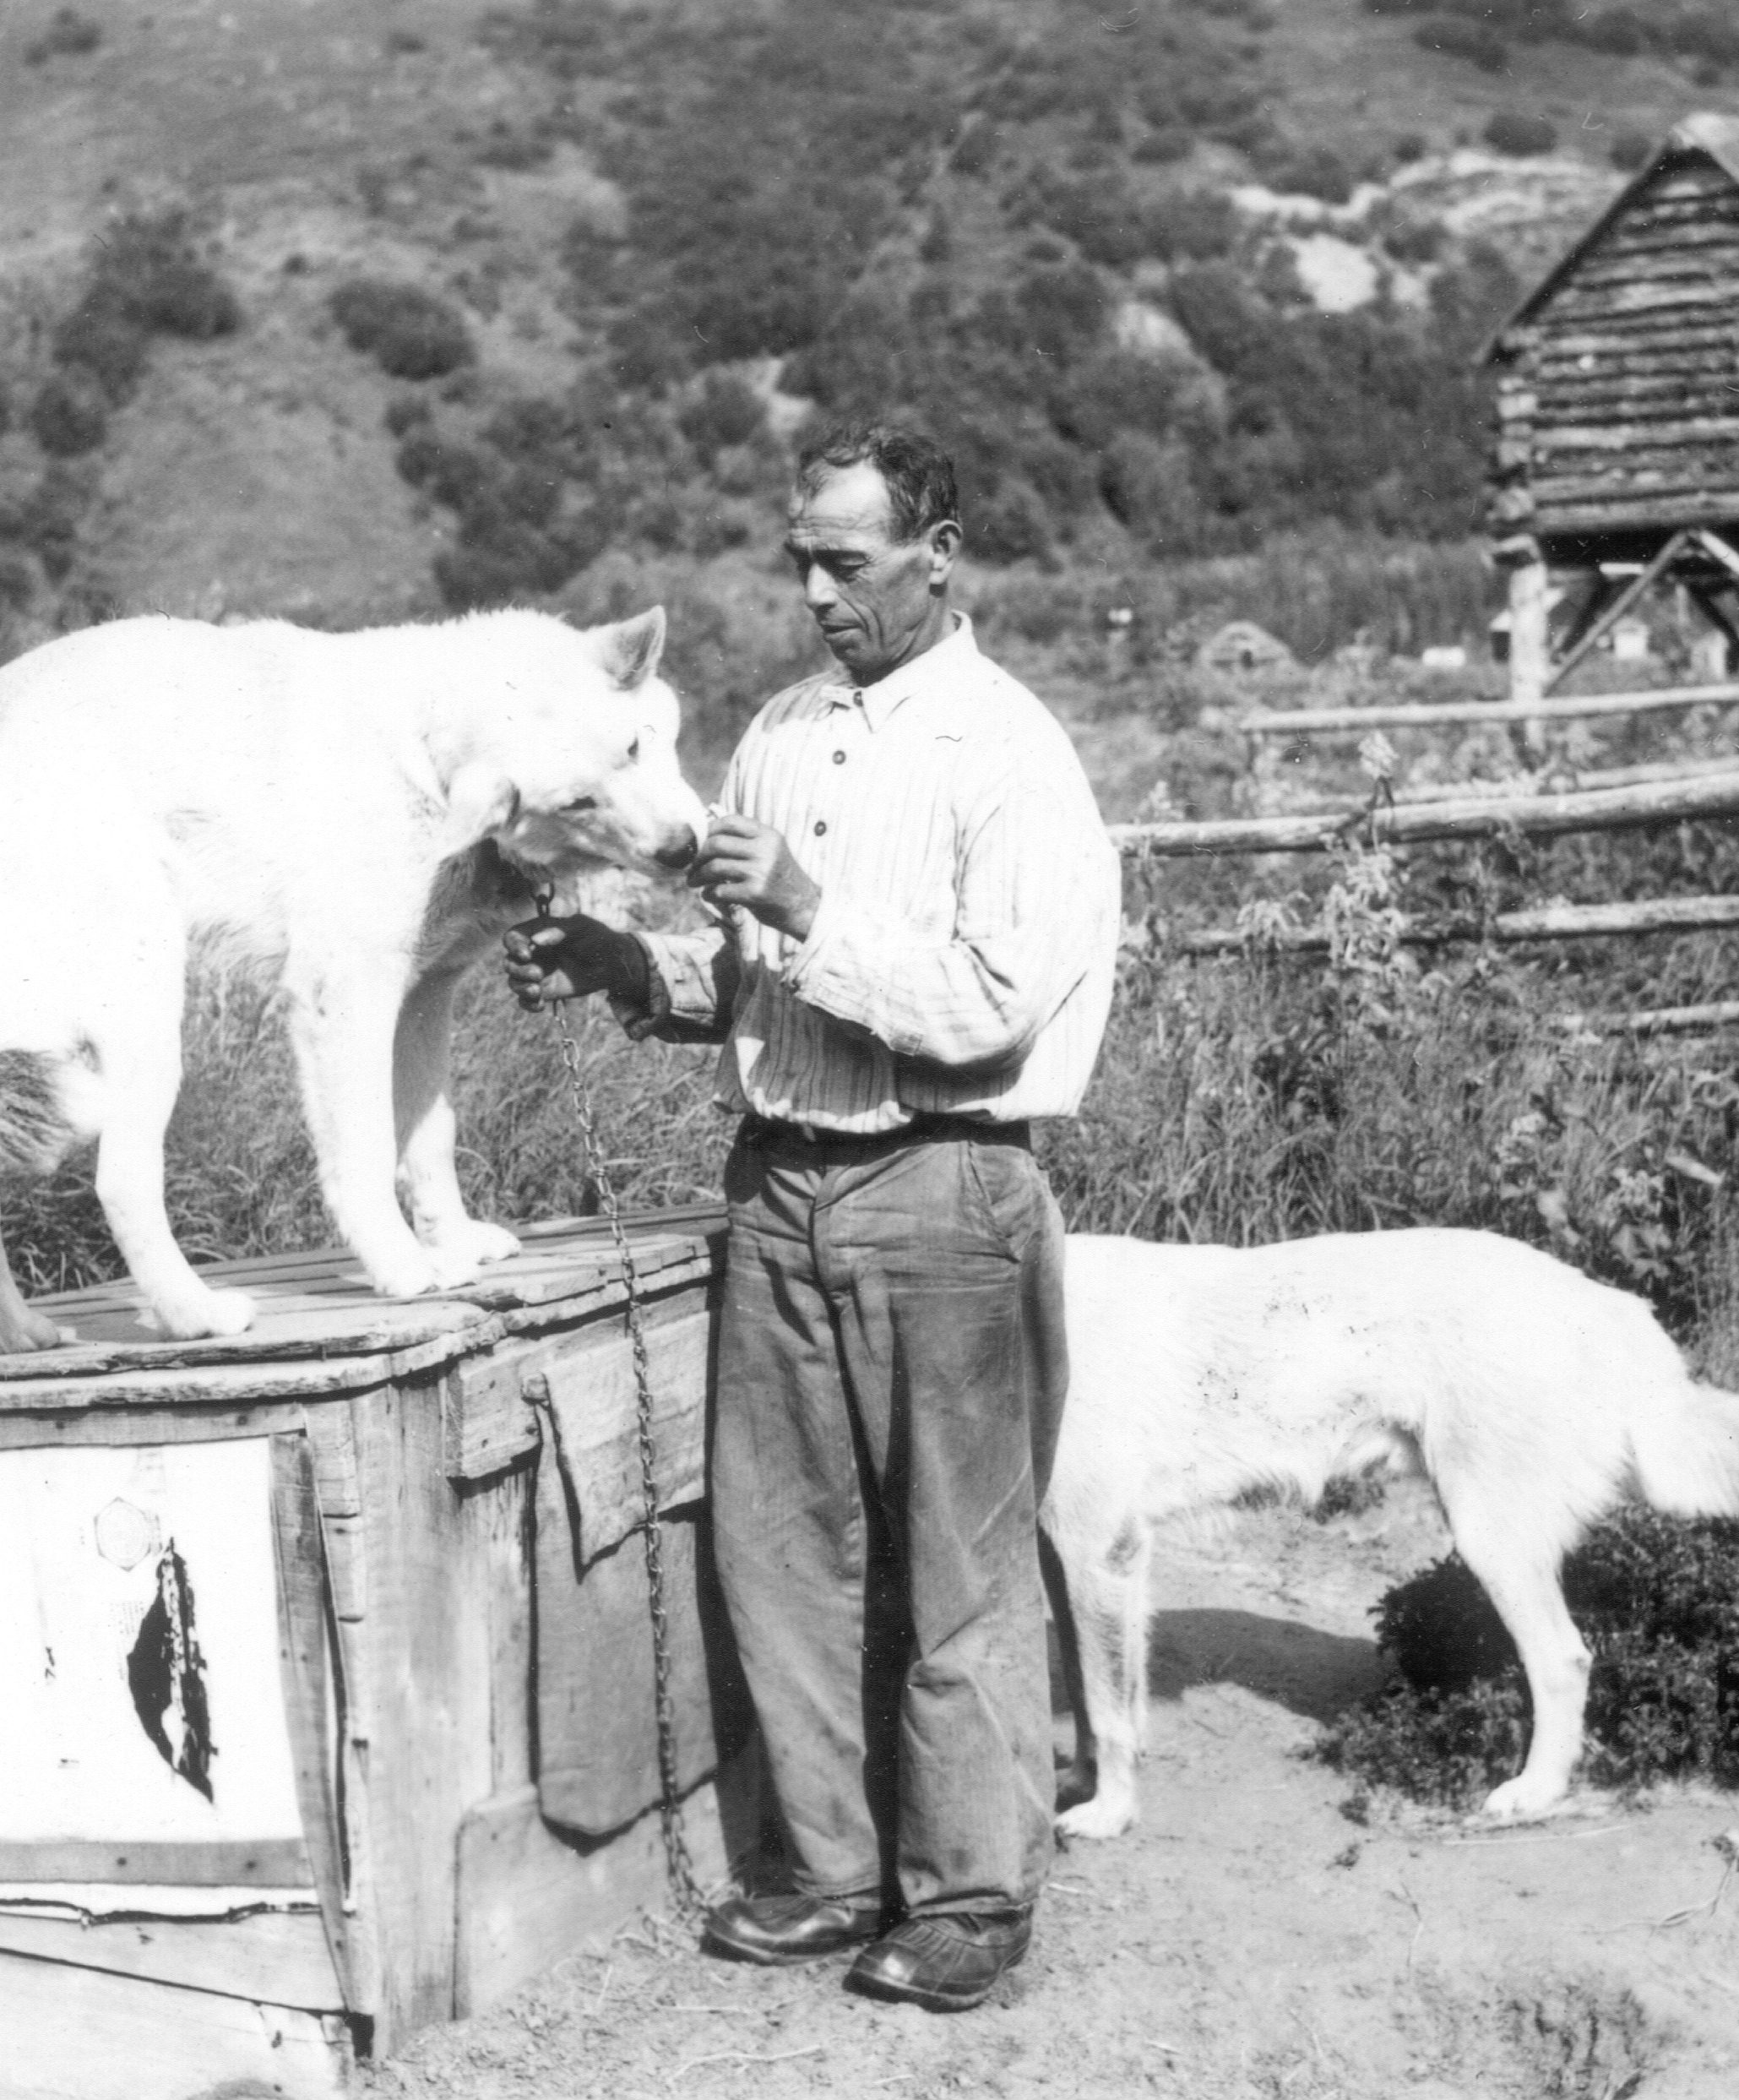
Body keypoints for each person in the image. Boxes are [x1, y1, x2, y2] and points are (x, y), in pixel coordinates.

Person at [503, 423, 1122, 2012]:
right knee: (782, 1556)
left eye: (847, 561)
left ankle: (972, 1895)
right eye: (800, 560)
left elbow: (988, 1006)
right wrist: (635, 970)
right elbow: (752, 986)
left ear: (940, 551)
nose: (816, 590)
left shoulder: (1008, 751)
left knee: (956, 1563)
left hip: (948, 1183)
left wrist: (801, 904)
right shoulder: (777, 734)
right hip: (778, 1182)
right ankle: (832, 1871)